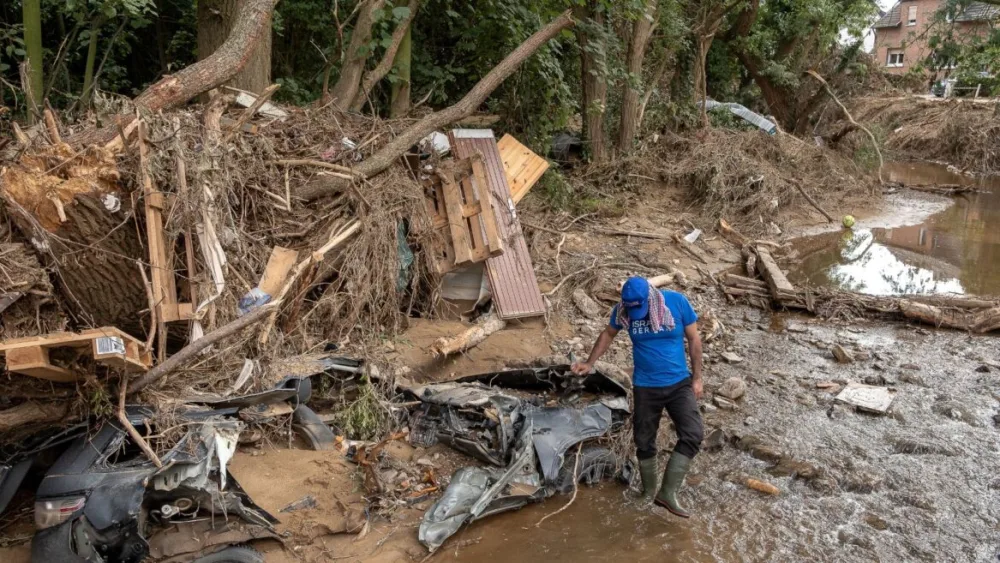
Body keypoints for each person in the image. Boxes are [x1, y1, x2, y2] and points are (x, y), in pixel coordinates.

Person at [571, 276, 704, 517]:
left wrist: (697, 378)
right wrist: (590, 363)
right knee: (644, 441)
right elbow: (608, 334)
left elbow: (694, 339)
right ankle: (648, 493)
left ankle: (667, 493)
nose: (636, 313)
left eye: (640, 308)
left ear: (649, 296)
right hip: (645, 386)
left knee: (693, 434)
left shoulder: (676, 303)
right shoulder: (623, 310)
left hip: (678, 383)